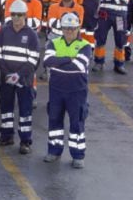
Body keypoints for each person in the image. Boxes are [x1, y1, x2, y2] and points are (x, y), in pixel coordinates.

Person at [42, 12, 91, 169]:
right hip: (56, 89)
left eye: (72, 28)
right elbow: (48, 61)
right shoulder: (53, 43)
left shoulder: (85, 46)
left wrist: (60, 61)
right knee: (54, 120)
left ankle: (78, 155)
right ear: (62, 29)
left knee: (77, 123)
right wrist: (69, 59)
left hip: (77, 91)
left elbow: (79, 66)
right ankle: (54, 151)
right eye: (66, 28)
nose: (69, 31)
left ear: (78, 28)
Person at [0, 0, 41, 154]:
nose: (16, 18)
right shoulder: (4, 31)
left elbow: (34, 59)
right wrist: (8, 73)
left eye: (19, 15)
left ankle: (25, 141)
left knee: (25, 111)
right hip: (6, 78)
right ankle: (6, 136)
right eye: (13, 14)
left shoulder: (32, 35)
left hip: (24, 80)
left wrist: (18, 75)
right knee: (6, 109)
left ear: (25, 16)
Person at [95, 0, 132, 74]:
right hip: (104, 16)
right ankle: (99, 62)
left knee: (120, 39)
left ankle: (119, 64)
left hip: (120, 16)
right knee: (100, 38)